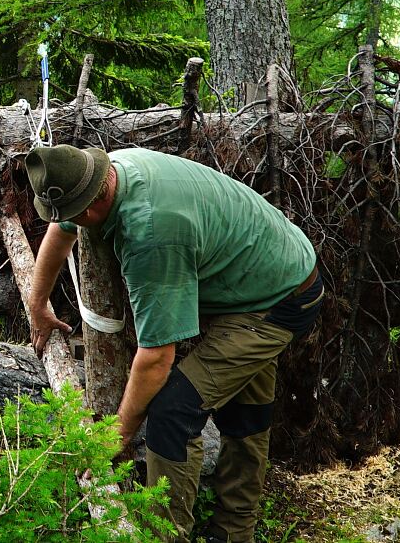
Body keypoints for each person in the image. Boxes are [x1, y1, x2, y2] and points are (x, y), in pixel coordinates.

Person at [25, 145, 324, 543]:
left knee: (174, 409)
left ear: (91, 204)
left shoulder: (151, 231)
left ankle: (168, 534)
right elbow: (60, 230)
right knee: (245, 409)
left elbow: (156, 358)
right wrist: (38, 302)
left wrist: (118, 433)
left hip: (279, 298)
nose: (69, 223)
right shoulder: (98, 172)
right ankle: (235, 532)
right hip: (257, 274)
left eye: (74, 217)